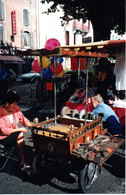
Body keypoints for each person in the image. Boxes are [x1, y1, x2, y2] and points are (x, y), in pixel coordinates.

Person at [0, 90, 33, 171]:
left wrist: (33, 127)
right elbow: (4, 130)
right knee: (20, 134)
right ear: (7, 103)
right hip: (3, 137)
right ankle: (23, 160)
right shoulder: (0, 112)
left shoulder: (16, 109)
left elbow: (24, 120)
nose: (16, 106)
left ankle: (23, 158)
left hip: (13, 133)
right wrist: (19, 129)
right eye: (14, 104)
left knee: (20, 136)